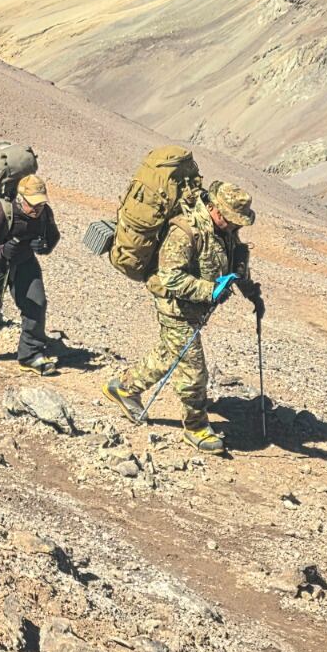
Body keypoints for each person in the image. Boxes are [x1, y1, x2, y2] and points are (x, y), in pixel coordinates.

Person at [103, 181, 260, 455]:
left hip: (194, 307)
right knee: (194, 371)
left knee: (169, 353)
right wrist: (211, 290)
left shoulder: (224, 230)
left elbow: (235, 261)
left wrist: (251, 293)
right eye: (231, 220)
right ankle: (196, 427)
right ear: (214, 209)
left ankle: (124, 388)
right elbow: (171, 278)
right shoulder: (184, 231)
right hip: (174, 306)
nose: (236, 227)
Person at [0, 174, 61, 372]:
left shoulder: (44, 214)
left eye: (40, 204)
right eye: (32, 204)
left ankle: (31, 354)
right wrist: (2, 251)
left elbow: (53, 237)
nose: (37, 209)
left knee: (37, 303)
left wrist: (44, 246)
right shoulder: (0, 211)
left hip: (24, 260)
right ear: (20, 199)